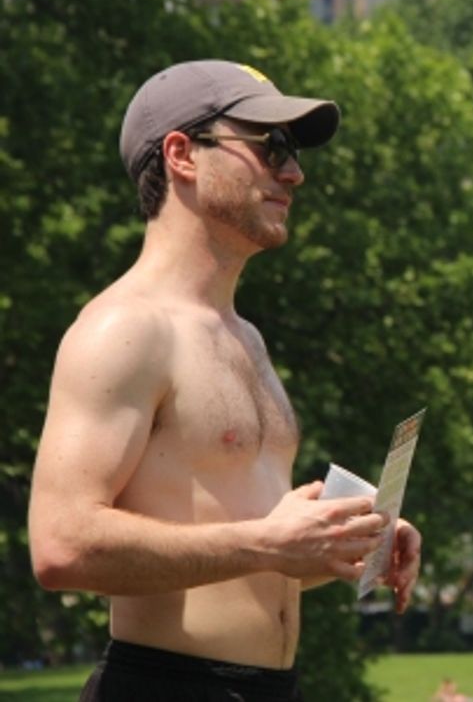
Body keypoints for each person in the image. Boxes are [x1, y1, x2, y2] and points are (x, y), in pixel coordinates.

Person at [27, 60, 423, 701]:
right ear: (183, 155)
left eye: (290, 153)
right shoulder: (123, 330)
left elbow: (246, 561)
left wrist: (343, 540)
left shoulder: (246, 338)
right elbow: (61, 544)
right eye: (270, 148)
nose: (293, 172)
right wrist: (267, 542)